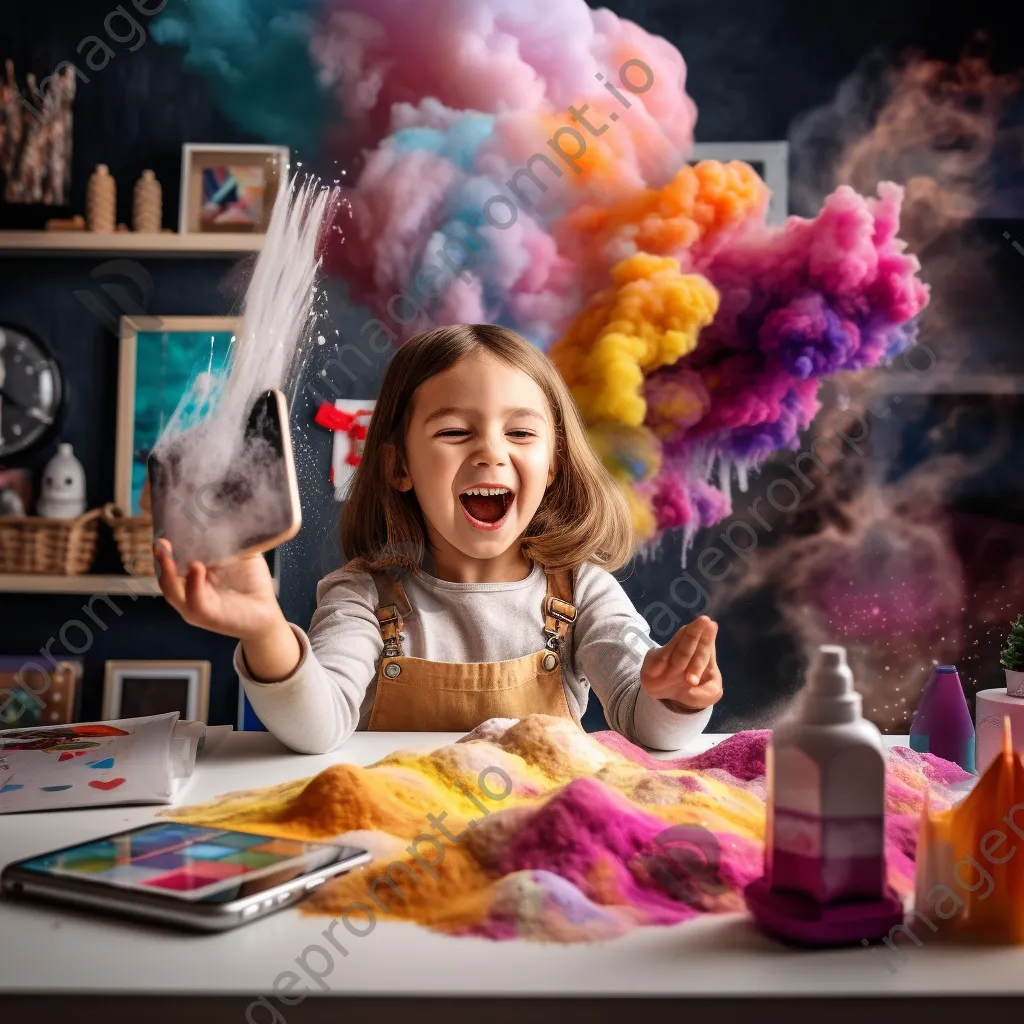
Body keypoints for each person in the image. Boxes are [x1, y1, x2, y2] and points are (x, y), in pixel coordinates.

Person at [154, 323, 723, 754]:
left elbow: (647, 727)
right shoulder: (362, 597)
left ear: (552, 465)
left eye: (521, 432)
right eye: (454, 432)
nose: (490, 452)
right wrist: (264, 630)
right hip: (396, 846)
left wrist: (674, 696)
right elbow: (317, 728)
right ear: (399, 467)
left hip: (534, 845)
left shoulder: (584, 592)